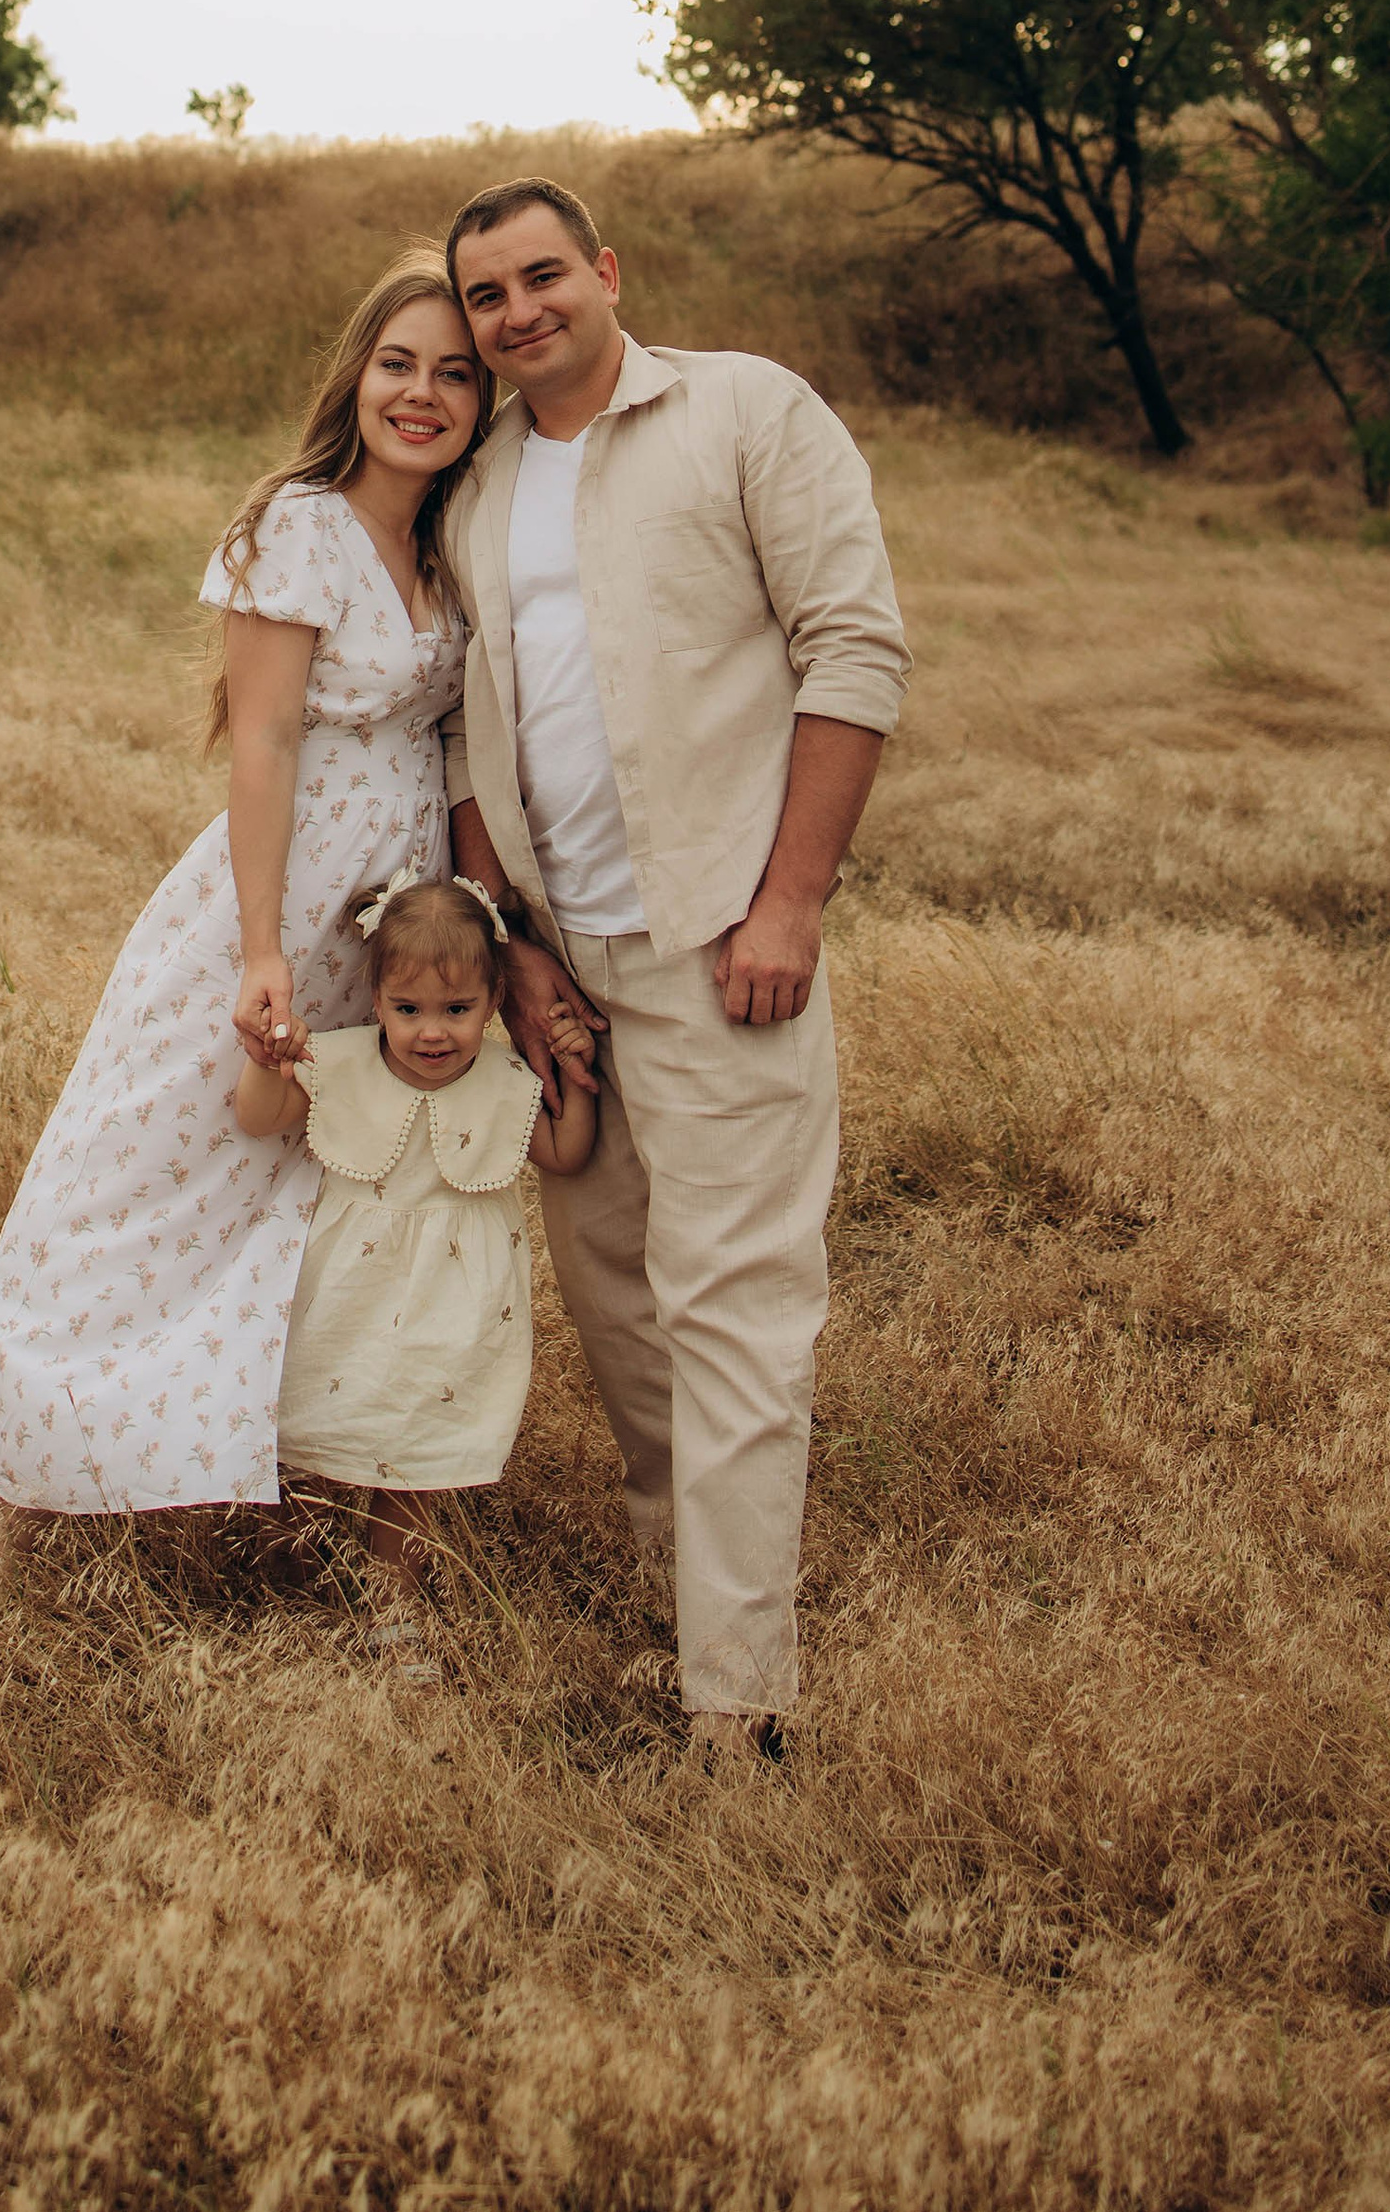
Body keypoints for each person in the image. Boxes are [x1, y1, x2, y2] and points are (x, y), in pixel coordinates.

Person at [437, 177, 912, 1762]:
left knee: (734, 1308)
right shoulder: (480, 480)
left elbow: (855, 648)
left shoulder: (746, 414)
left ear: (607, 271)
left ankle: (738, 1703)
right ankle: (685, 1583)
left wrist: (791, 903)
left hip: (719, 943)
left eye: (543, 275)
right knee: (616, 1303)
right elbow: (466, 731)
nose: (520, 311)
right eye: (489, 294)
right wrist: (511, 947)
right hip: (562, 964)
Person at [0, 256, 485, 1560]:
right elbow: (262, 743)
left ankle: (299, 1485)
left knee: (338, 1185)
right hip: (282, 900)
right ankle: (36, 1469)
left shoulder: (449, 539)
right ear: (355, 375)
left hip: (400, 920)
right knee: (156, 1167)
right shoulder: (300, 525)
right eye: (397, 363)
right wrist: (260, 949)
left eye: (454, 373)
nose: (421, 394)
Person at [234, 870, 599, 1643]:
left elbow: (565, 1153)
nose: (432, 1032)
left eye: (457, 1010)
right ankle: (292, 1590)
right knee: (308, 1437)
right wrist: (267, 1060)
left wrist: (577, 1073)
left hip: (451, 1309)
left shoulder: (507, 1080)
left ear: (494, 1001)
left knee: (413, 1457)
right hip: (345, 1296)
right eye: (408, 1010)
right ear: (376, 1001)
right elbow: (259, 1118)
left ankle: (394, 1610)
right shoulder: (339, 1062)